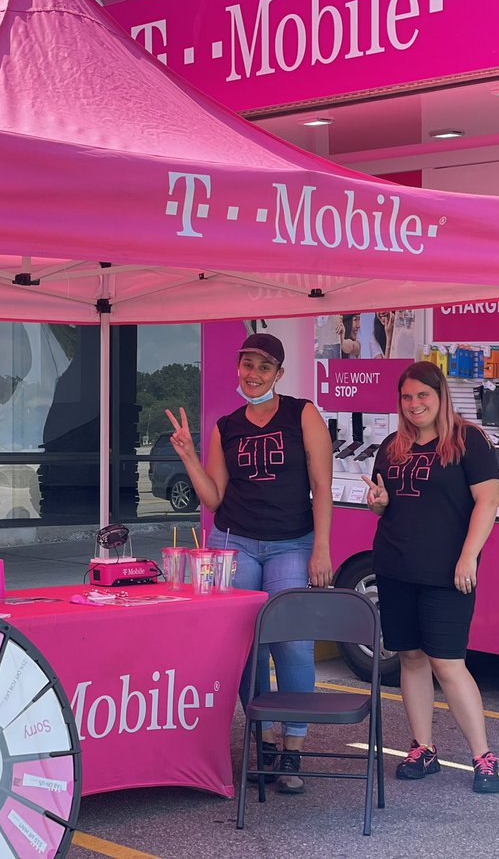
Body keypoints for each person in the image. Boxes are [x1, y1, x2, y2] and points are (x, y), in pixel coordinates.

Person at [166, 331, 333, 795]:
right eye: (247, 365)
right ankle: (264, 739)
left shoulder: (303, 414)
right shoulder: (226, 426)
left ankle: (293, 743)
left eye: (263, 367)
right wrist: (187, 455)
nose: (253, 374)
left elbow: (322, 486)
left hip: (292, 545)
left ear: (279, 373)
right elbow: (213, 496)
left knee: (294, 644)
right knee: (247, 648)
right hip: (234, 541)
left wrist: (322, 547)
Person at [360, 360, 499, 793]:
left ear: (440, 395)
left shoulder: (467, 440)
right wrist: (378, 503)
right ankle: (423, 748)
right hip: (395, 567)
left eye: (423, 395)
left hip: (448, 572)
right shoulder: (392, 445)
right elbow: (388, 505)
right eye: (407, 397)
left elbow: (488, 502)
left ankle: (483, 756)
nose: (414, 404)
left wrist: (468, 558)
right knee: (411, 657)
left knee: (448, 661)